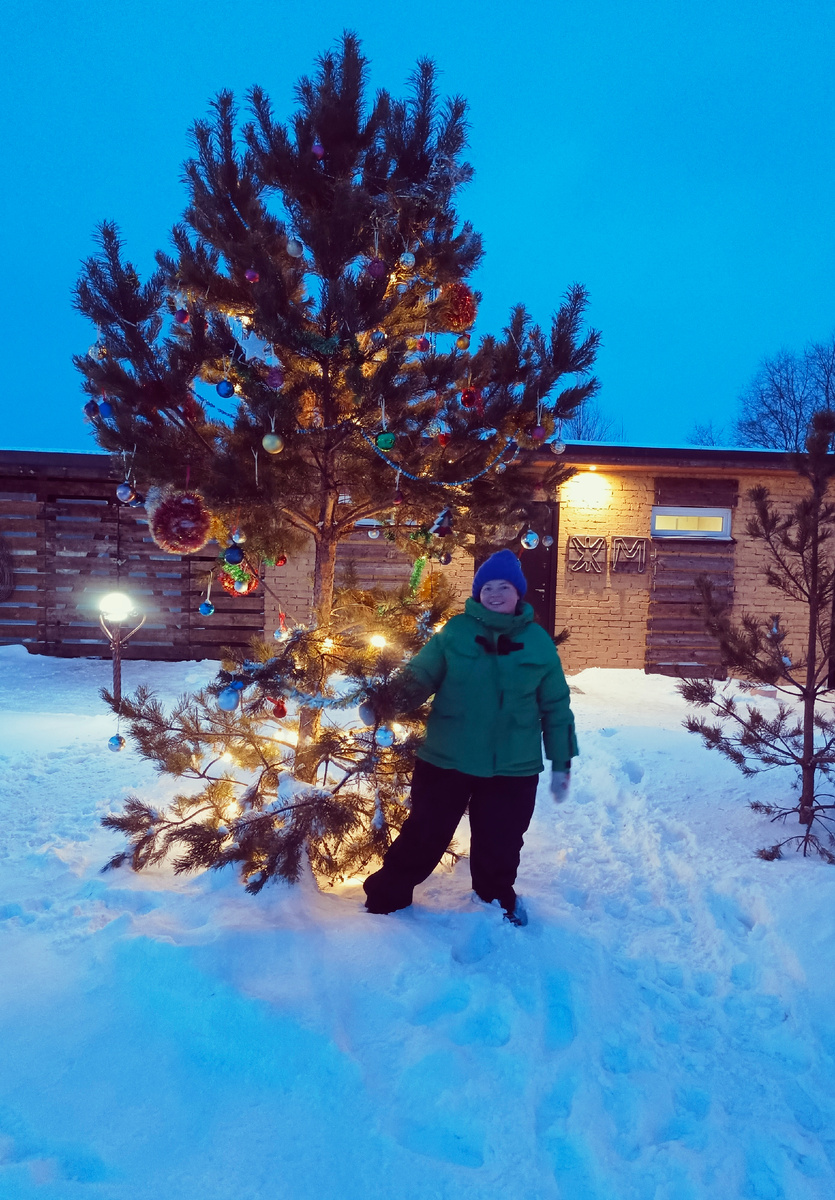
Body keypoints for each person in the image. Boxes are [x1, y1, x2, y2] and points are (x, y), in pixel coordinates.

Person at [362, 548, 578, 926]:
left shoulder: (538, 643)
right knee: (425, 832)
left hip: (513, 765)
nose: (495, 594)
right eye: (487, 587)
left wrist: (562, 761)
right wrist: (385, 704)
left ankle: (495, 900)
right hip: (447, 756)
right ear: (478, 593)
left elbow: (556, 705)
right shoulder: (456, 633)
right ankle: (388, 894)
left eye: (504, 587)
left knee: (502, 840)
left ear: (518, 592)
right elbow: (420, 675)